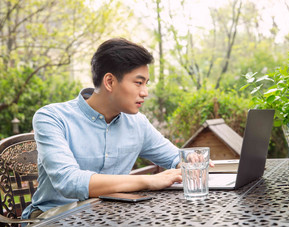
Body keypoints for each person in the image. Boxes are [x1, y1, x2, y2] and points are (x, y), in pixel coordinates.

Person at [22, 38, 183, 219]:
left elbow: (176, 158)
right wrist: (149, 181)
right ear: (109, 82)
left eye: (146, 83)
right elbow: (69, 181)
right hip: (55, 218)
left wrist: (191, 162)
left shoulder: (138, 123)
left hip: (112, 216)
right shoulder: (52, 118)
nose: (145, 92)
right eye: (139, 83)